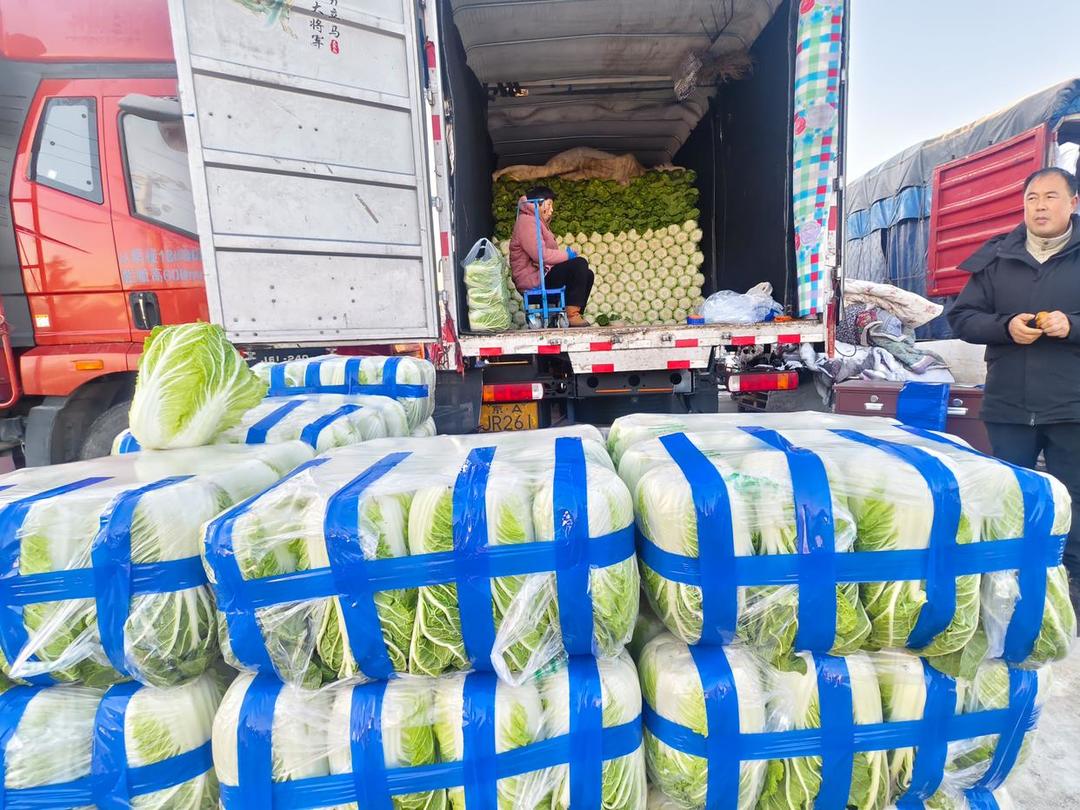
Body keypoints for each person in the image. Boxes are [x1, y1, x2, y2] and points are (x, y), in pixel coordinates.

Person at [949, 166, 1080, 608]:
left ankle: (1069, 594)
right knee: (1008, 499)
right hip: (1009, 406)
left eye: (1050, 197)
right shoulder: (997, 258)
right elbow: (962, 318)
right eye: (1031, 199)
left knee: (1073, 501)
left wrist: (1072, 325)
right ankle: (1005, 592)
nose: (1040, 207)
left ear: (1073, 203)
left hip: (1072, 405)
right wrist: (1005, 327)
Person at [509, 186, 594, 327]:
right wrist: (567, 255)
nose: (552, 210)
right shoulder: (527, 222)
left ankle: (574, 313)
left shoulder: (537, 221)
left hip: (542, 276)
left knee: (587, 274)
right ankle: (571, 316)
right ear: (538, 203)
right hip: (533, 282)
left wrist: (566, 257)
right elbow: (541, 255)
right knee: (579, 264)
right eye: (549, 205)